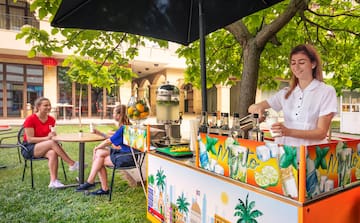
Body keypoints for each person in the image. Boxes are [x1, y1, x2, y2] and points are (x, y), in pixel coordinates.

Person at [248, 44, 337, 146]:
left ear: (313, 64)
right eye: (293, 63)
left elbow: (321, 133)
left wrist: (288, 132)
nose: (296, 67)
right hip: (285, 153)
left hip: (311, 155)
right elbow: (252, 107)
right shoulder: (286, 93)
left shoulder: (326, 91)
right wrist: (258, 110)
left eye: (302, 62)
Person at [76, 104, 135, 195]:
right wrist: (99, 133)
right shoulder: (127, 126)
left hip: (127, 157)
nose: (113, 115)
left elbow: (109, 141)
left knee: (99, 159)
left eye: (114, 113)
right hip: (127, 154)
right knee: (99, 154)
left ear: (119, 115)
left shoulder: (123, 128)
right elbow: (112, 138)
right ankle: (92, 183)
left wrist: (97, 147)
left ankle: (98, 186)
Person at [22, 97, 80, 188]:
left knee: (52, 152)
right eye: (45, 105)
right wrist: (47, 138)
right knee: (51, 143)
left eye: (49, 105)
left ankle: (53, 181)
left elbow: (50, 136)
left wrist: (53, 135)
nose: (48, 107)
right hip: (29, 148)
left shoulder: (51, 120)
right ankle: (71, 163)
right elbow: (30, 139)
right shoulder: (30, 119)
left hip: (44, 146)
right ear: (38, 107)